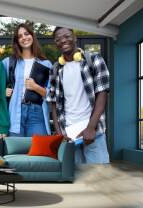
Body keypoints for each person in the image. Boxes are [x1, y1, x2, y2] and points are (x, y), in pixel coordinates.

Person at [46, 27, 110, 164]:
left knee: (100, 179)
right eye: (58, 39)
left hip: (93, 132)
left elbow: (102, 94)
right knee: (76, 181)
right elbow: (53, 103)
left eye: (67, 36)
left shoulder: (94, 59)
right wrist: (59, 134)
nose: (63, 40)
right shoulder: (56, 69)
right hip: (69, 136)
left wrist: (91, 127)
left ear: (74, 37)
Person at [2, 23, 52, 137]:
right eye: (20, 36)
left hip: (37, 113)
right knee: (16, 152)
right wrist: (3, 92)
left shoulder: (46, 64)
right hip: (15, 113)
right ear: (17, 41)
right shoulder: (8, 62)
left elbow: (51, 94)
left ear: (32, 36)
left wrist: (35, 87)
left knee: (38, 152)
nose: (24, 38)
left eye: (26, 34)